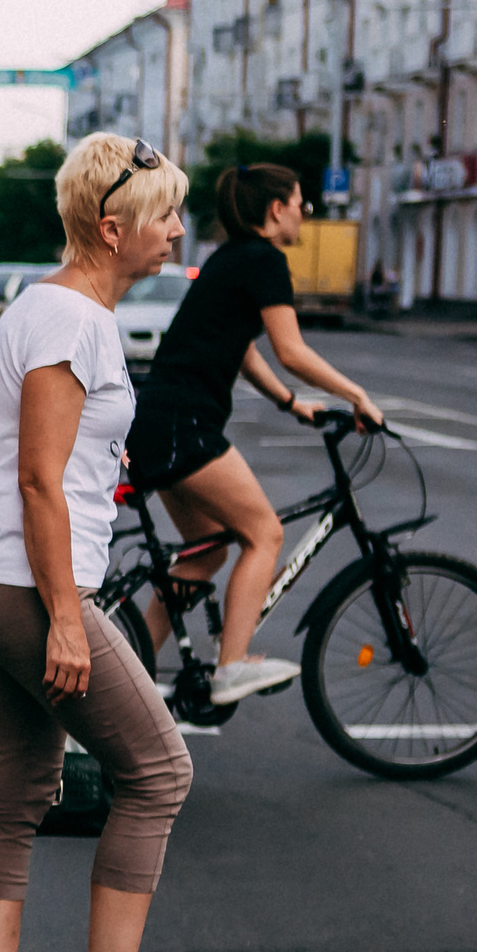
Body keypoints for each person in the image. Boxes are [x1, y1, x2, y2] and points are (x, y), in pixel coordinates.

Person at [0, 133, 194, 952]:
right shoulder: (71, 321)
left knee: (17, 791)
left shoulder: (56, 310)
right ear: (111, 226)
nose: (176, 230)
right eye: (165, 214)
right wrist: (64, 614)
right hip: (30, 586)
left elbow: (64, 464)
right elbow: (38, 479)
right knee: (160, 771)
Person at [126, 164, 384, 703]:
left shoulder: (231, 258)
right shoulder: (265, 260)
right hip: (184, 424)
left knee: (206, 552)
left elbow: (240, 344)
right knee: (263, 533)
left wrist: (290, 404)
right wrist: (356, 396)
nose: (302, 216)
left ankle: (122, 677)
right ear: (276, 209)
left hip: (163, 418)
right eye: (301, 205)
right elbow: (290, 350)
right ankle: (232, 666)